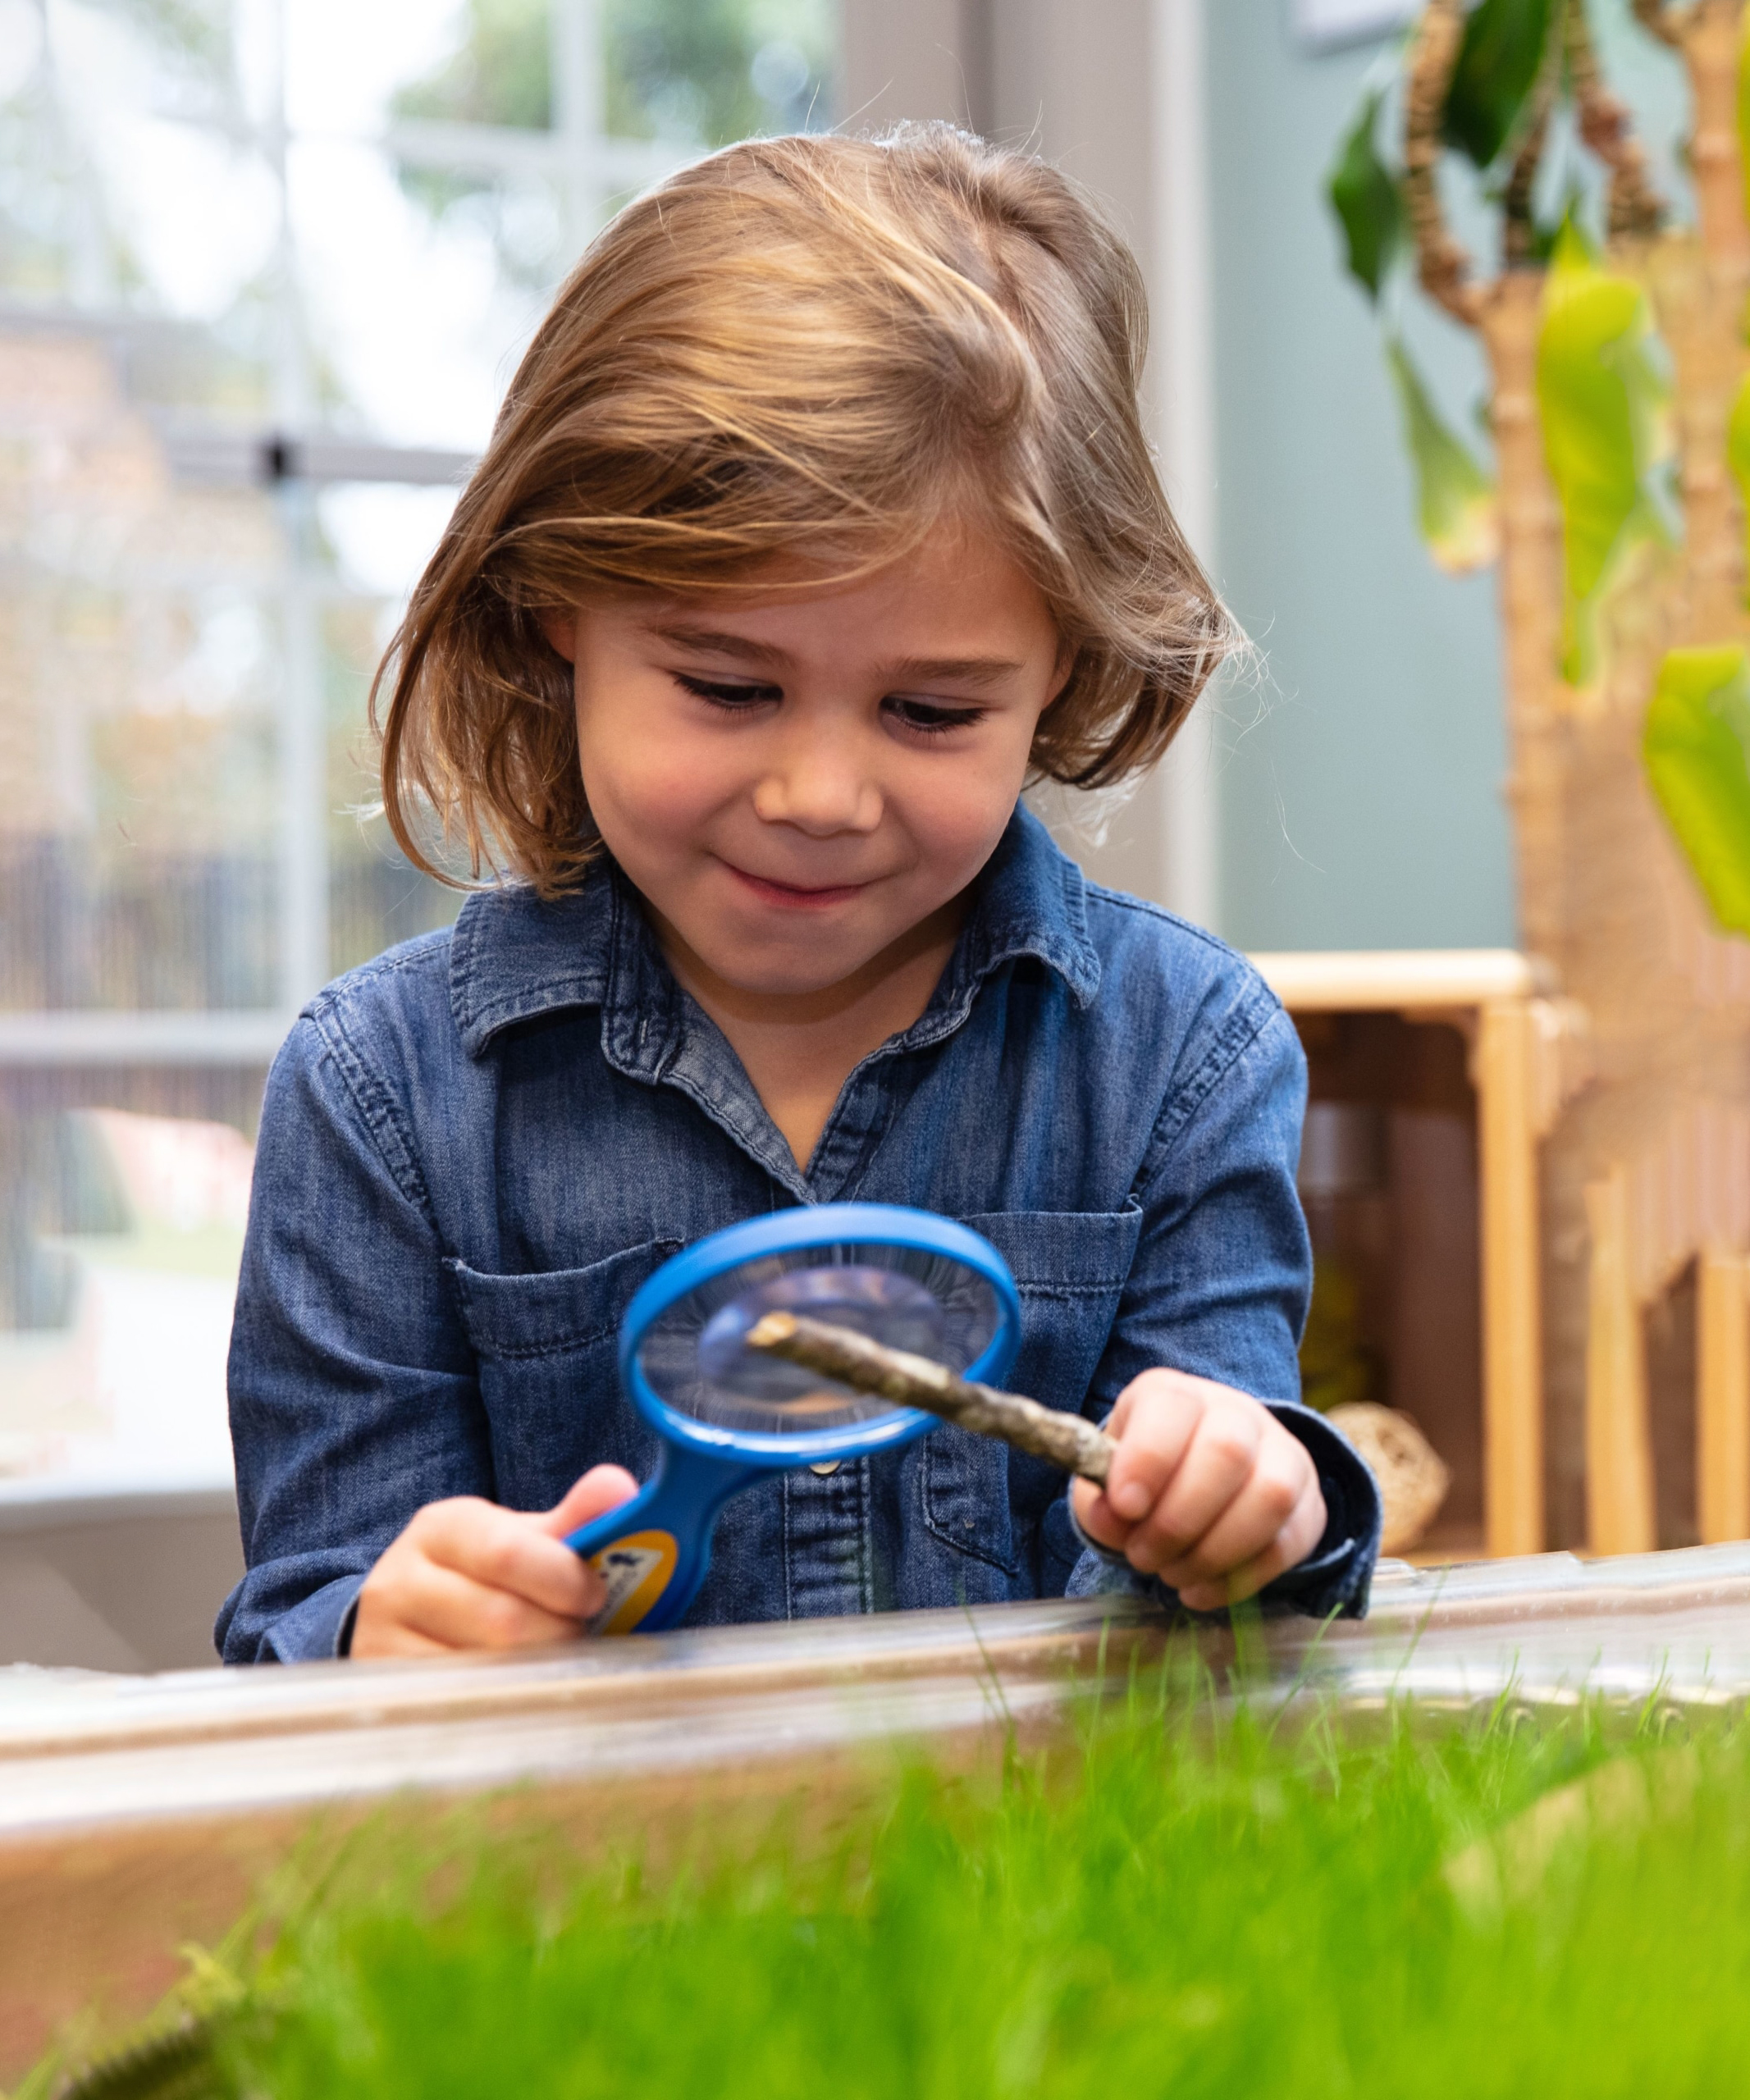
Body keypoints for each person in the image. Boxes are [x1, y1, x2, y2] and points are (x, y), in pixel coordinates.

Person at [217, 125, 1381, 1664]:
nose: (821, 797)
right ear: (558, 600)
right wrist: (384, 1631)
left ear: (1065, 673)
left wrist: (1255, 1499)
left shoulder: (1185, 1056)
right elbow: (302, 1621)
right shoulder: (383, 1099)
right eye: (725, 684)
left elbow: (1238, 1613)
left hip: (1029, 1897)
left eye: (932, 713)